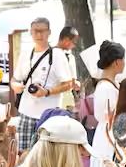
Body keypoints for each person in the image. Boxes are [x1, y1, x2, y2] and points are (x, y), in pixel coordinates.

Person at [10, 17, 76, 153]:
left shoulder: (57, 55)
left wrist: (47, 92)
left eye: (42, 31)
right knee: (24, 155)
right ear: (31, 33)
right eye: (36, 31)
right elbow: (14, 79)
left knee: (48, 155)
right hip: (26, 112)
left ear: (49, 32)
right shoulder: (25, 54)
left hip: (49, 114)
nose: (39, 35)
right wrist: (15, 86)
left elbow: (68, 84)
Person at [88, 41, 124, 167]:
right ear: (117, 62)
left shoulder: (110, 84)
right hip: (107, 134)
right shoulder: (105, 87)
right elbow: (105, 116)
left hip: (108, 133)